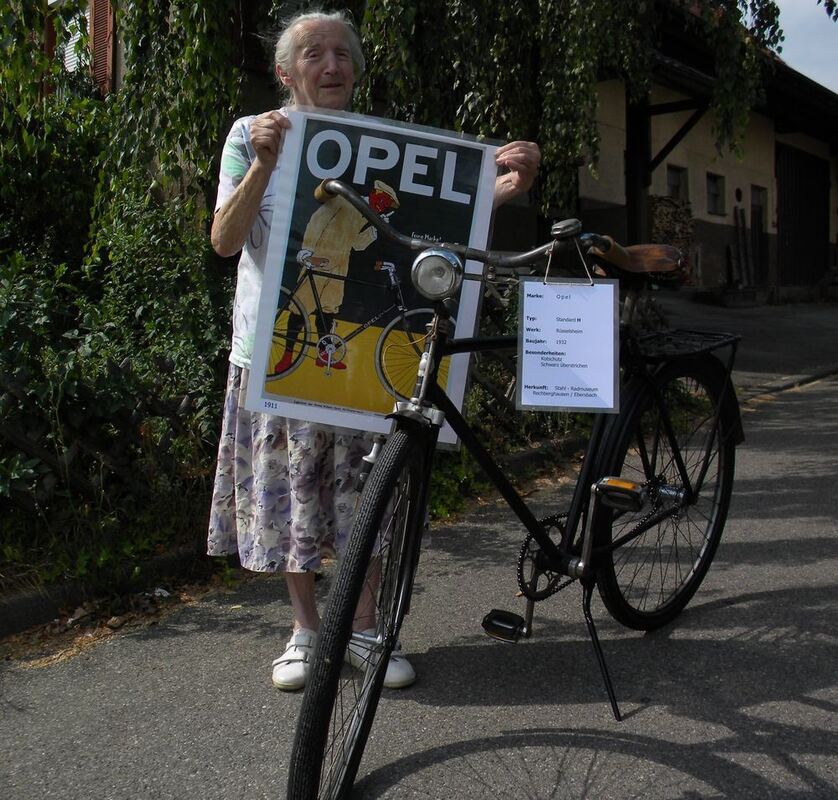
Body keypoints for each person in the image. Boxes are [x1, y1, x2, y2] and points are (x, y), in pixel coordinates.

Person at [207, 8, 541, 693]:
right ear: (284, 71)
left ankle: (361, 629)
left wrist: (504, 191)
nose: (330, 66)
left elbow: (422, 231)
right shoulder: (249, 136)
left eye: (342, 54)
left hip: (365, 347)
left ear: (356, 68)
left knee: (374, 498)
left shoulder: (381, 145)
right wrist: (264, 168)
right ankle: (304, 631)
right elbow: (224, 240)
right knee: (291, 496)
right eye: (313, 54)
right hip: (272, 353)